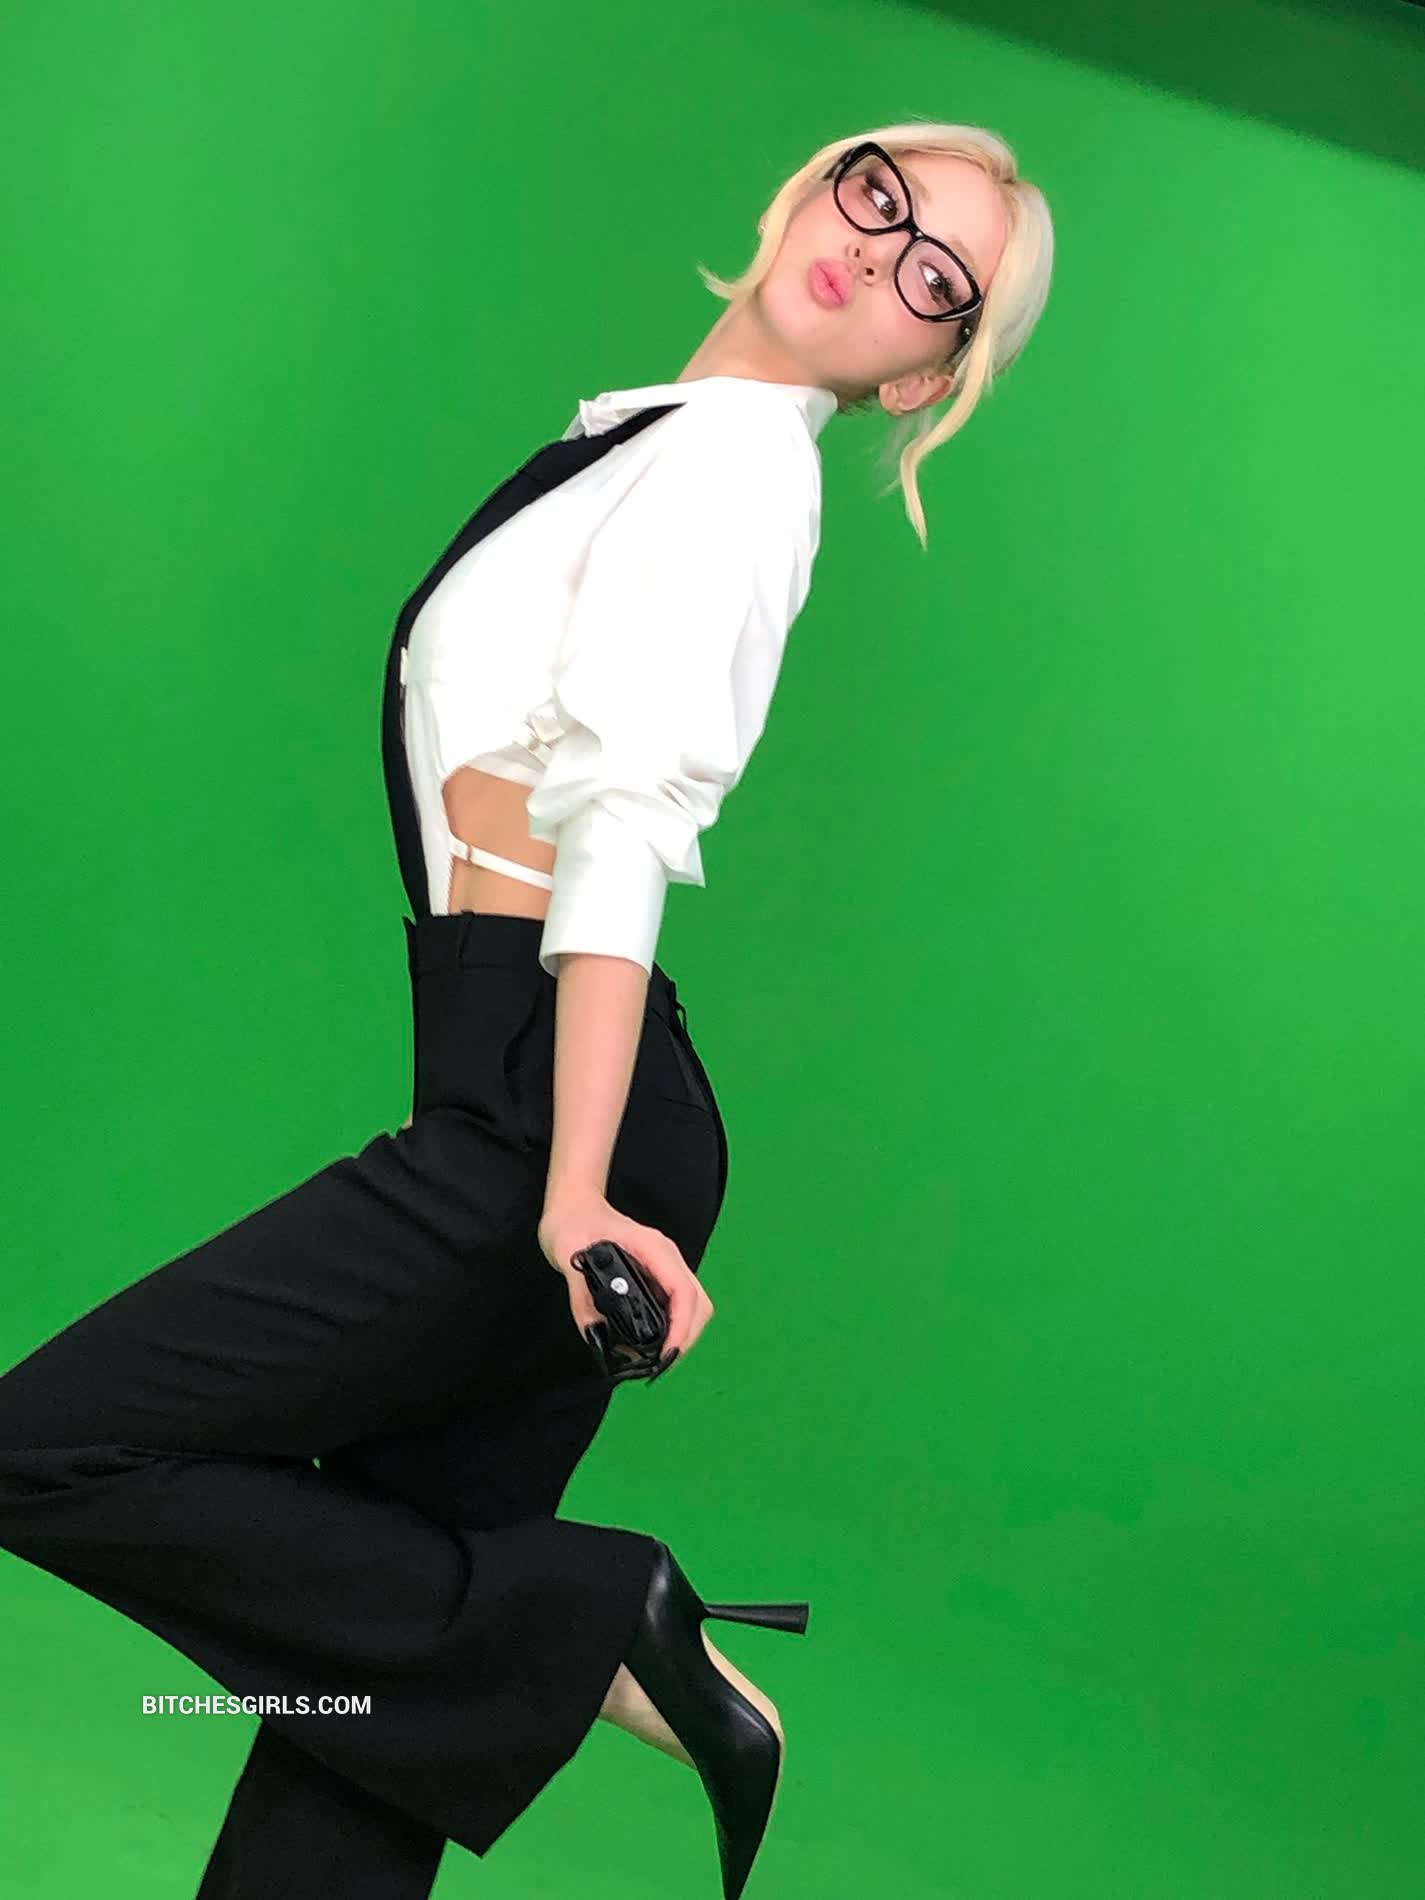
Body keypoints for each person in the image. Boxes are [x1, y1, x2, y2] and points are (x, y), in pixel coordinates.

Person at [0, 122, 1051, 1898]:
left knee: (51, 1445)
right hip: (543, 1080)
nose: (880, 253)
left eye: (934, 278)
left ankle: (586, 1618)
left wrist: (568, 1189)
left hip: (553, 1101)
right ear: (811, 187)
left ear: (919, 376)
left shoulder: (727, 474)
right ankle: (569, 1626)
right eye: (878, 197)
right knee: (366, 1719)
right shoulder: (657, 438)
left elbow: (622, 827)